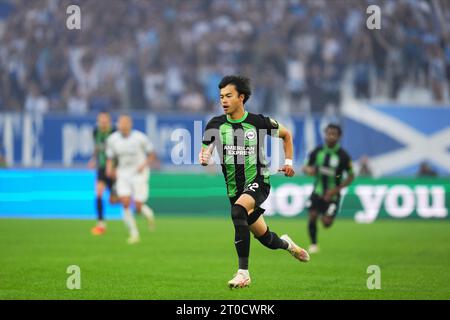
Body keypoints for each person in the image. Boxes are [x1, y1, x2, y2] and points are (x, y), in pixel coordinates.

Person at [199, 75, 309, 289]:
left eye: (228, 96)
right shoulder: (215, 124)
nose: (223, 100)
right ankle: (289, 245)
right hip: (234, 189)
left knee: (239, 210)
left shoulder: (257, 122)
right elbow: (205, 152)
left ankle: (243, 273)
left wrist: (288, 162)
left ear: (241, 97)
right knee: (266, 239)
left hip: (258, 181)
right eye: (221, 96)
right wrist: (204, 158)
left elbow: (287, 135)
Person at [302, 124, 354, 254]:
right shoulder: (318, 151)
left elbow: (351, 175)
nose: (330, 137)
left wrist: (336, 190)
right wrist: (310, 170)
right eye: (329, 133)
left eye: (334, 134)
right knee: (312, 215)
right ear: (325, 134)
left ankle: (325, 214)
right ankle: (313, 244)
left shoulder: (343, 156)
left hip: (333, 195)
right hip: (318, 191)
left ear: (339, 137)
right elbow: (306, 166)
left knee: (326, 223)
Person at [106, 115, 157, 244]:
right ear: (118, 125)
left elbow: (151, 155)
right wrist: (109, 169)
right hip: (122, 173)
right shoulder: (113, 139)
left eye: (125, 123)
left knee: (138, 206)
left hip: (139, 173)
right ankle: (134, 234)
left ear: (130, 124)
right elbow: (110, 157)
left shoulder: (140, 138)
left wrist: (143, 165)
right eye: (121, 123)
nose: (123, 126)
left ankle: (148, 214)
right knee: (125, 202)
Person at [88, 112, 118, 235]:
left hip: (114, 169)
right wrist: (93, 159)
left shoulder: (115, 132)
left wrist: (115, 168)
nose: (103, 122)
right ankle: (100, 224)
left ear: (109, 120)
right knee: (99, 193)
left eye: (105, 119)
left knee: (115, 200)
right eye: (101, 119)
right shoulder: (96, 132)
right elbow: (96, 147)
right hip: (101, 167)